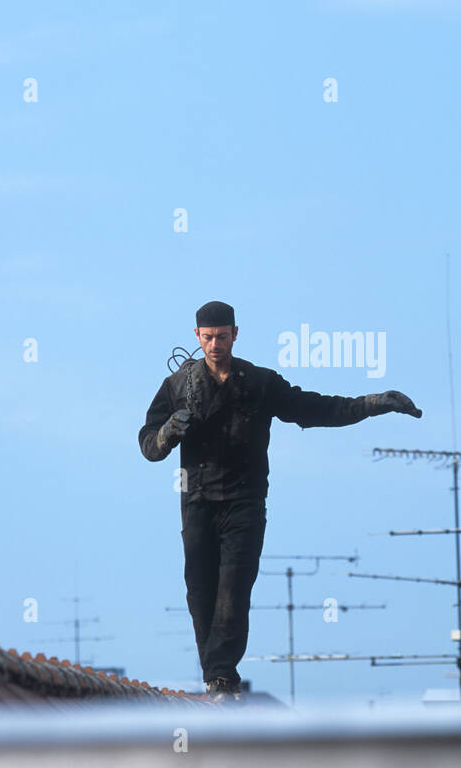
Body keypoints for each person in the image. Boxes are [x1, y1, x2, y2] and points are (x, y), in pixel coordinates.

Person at [139, 301, 422, 703]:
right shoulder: (176, 386)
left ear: (236, 334)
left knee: (233, 590)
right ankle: (216, 679)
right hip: (197, 500)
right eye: (207, 337)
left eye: (222, 336)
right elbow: (149, 445)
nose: (215, 344)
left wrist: (374, 403)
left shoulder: (259, 383)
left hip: (245, 502)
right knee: (199, 590)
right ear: (196, 337)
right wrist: (167, 432)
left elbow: (320, 408)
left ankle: (221, 679)